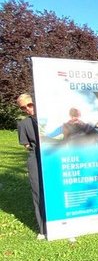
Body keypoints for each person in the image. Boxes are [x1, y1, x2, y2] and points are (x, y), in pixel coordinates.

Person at [16, 94, 45, 239]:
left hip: (52, 156)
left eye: (29, 104)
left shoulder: (49, 118)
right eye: (23, 107)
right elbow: (27, 145)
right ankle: (43, 228)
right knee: (37, 191)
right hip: (35, 159)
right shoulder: (23, 124)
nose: (27, 109)